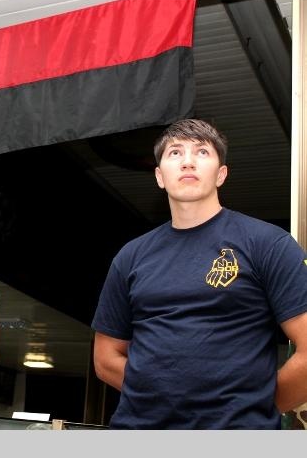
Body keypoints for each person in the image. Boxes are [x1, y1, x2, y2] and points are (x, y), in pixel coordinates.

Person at [91, 118, 307, 429]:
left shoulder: (268, 244)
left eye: (202, 152)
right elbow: (105, 358)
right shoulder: (130, 256)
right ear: (159, 176)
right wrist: (156, 397)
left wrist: (255, 408)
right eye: (175, 153)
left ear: (221, 174)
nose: (188, 162)